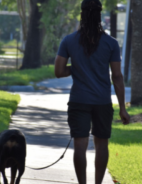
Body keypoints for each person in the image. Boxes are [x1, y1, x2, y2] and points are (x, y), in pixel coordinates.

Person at [54, 0, 130, 184]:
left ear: (82, 14)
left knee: (80, 145)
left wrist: (77, 67)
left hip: (78, 101)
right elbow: (117, 76)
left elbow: (59, 71)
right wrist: (122, 108)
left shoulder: (69, 40)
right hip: (102, 102)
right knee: (101, 144)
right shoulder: (111, 43)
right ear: (99, 15)